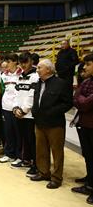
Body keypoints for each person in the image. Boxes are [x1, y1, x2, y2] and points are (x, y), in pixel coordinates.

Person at [30, 59, 73, 189]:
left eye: (39, 68)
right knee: (41, 149)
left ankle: (56, 177)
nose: (37, 70)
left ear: (48, 69)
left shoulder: (61, 83)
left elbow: (68, 103)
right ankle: (43, 172)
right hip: (39, 122)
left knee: (57, 151)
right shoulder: (38, 83)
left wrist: (52, 112)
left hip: (55, 124)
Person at [12, 52, 39, 177]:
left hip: (29, 115)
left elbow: (32, 95)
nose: (23, 65)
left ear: (31, 61)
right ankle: (26, 160)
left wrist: (23, 110)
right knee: (22, 139)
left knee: (31, 140)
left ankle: (36, 165)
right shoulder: (20, 76)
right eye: (21, 62)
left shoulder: (35, 76)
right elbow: (16, 94)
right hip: (19, 113)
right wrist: (16, 108)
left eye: (26, 62)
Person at [72, 53, 93, 204]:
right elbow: (77, 99)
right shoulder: (87, 81)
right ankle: (90, 182)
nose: (84, 67)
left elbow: (85, 103)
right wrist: (81, 98)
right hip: (84, 123)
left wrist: (80, 98)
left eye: (88, 64)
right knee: (88, 154)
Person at [0, 53, 22, 163]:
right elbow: (1, 90)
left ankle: (19, 156)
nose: (6, 63)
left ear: (16, 62)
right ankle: (9, 154)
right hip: (6, 107)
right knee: (8, 132)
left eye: (9, 61)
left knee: (18, 132)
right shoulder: (3, 75)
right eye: (6, 61)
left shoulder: (21, 74)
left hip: (17, 108)